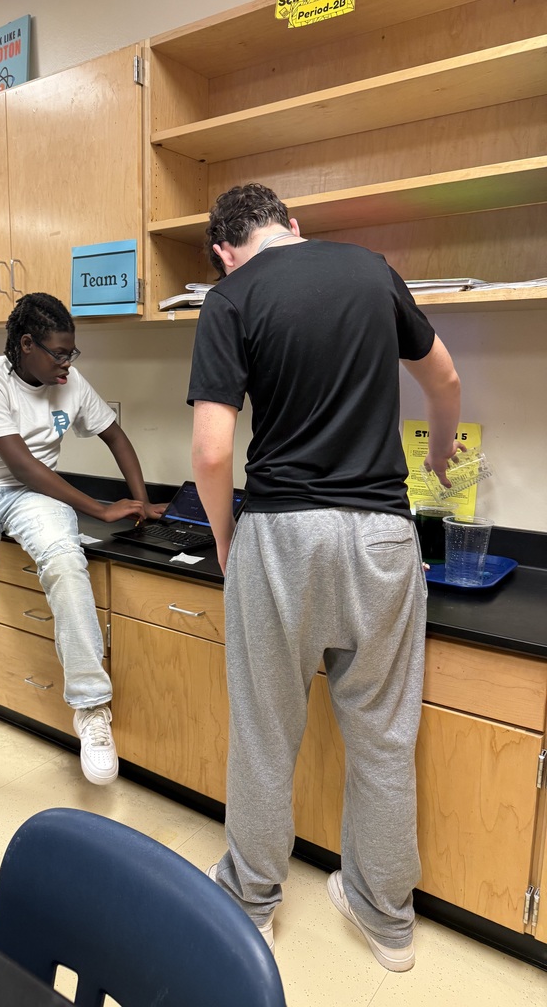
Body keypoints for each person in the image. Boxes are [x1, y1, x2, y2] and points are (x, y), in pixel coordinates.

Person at [188, 183, 462, 969]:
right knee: (382, 735)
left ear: (223, 250)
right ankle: (386, 917)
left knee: (266, 734)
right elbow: (442, 379)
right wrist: (439, 450)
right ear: (293, 226)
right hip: (383, 533)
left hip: (281, 533)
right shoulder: (372, 271)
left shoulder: (230, 297)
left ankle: (252, 904)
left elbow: (211, 453)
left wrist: (224, 536)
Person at [0, 292, 165, 784]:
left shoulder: (68, 380)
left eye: (72, 352)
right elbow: (20, 464)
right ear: (26, 344)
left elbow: (114, 434)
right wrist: (99, 507)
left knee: (64, 558)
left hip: (33, 496)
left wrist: (141, 505)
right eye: (60, 352)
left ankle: (92, 710)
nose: (68, 363)